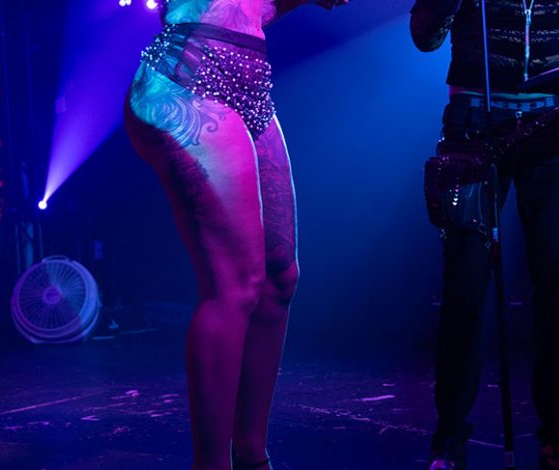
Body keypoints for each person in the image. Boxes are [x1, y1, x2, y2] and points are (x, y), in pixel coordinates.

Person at [124, 1, 347, 468]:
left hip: (250, 78)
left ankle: (252, 456)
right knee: (235, 285)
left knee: (280, 277)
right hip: (189, 73)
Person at [410, 0, 559, 469]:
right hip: (474, 125)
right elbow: (425, 37)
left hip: (553, 127)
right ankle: (450, 436)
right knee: (465, 288)